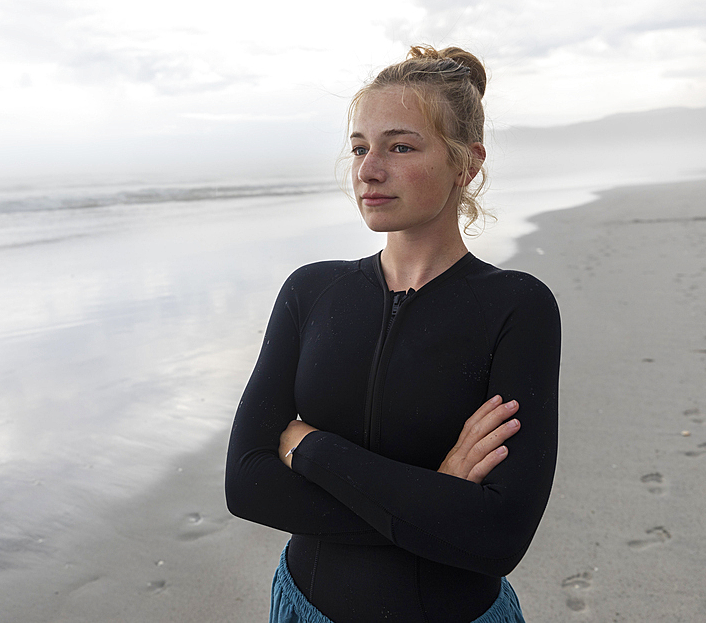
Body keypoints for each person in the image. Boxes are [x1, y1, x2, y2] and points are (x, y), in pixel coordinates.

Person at [225, 46, 560, 623]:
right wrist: (436, 496)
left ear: (466, 162)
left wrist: (311, 447)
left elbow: (499, 535)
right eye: (359, 148)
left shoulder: (516, 307)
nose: (368, 169)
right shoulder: (310, 293)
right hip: (304, 609)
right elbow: (247, 484)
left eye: (400, 146)